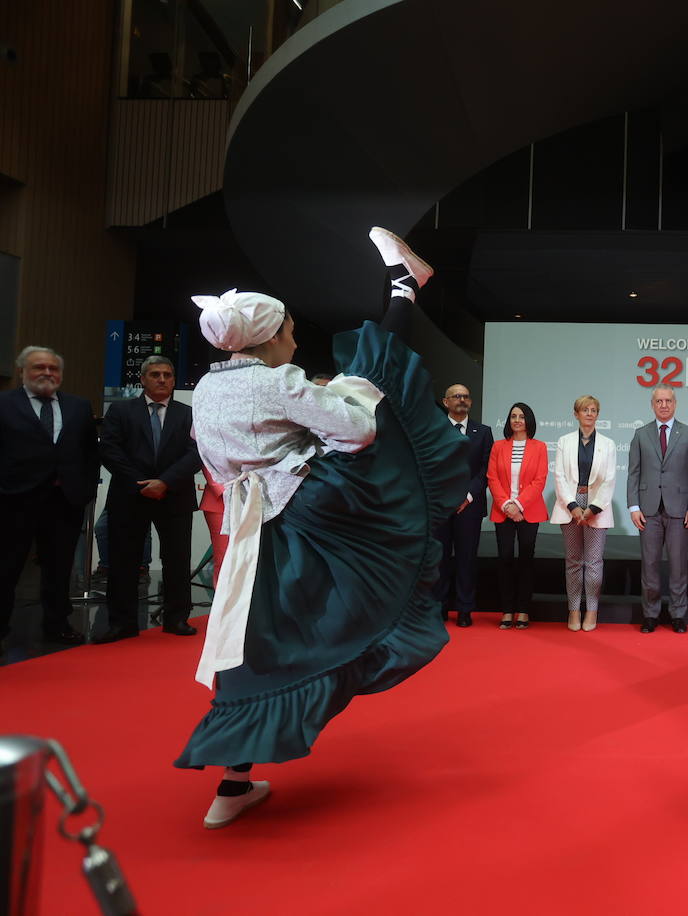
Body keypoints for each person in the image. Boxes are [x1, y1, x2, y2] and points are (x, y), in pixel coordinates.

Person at [175, 227, 467, 830]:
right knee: (372, 380)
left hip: (255, 532)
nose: (294, 336)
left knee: (252, 644)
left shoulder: (206, 389)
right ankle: (404, 288)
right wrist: (329, 404)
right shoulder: (277, 381)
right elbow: (357, 433)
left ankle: (233, 781)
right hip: (315, 513)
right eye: (287, 330)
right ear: (267, 338)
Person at [94, 355, 202, 642]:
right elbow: (110, 450)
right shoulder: (120, 410)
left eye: (168, 374)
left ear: (174, 380)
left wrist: (164, 481)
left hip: (174, 495)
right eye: (155, 374)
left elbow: (197, 453)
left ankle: (176, 619)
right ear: (142, 379)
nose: (162, 379)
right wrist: (140, 483)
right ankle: (122, 623)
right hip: (131, 495)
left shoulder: (189, 413)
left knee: (177, 561)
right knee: (123, 562)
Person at [0, 346, 98, 648]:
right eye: (39, 367)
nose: (47, 373)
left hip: (63, 502)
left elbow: (89, 454)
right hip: (14, 502)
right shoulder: (4, 404)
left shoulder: (79, 407)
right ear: (22, 372)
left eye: (53, 369)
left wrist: (85, 490)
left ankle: (57, 625)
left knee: (59, 570)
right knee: (6, 569)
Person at [627, 386, 688, 633]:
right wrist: (633, 506)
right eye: (659, 401)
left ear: (675, 403)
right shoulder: (640, 434)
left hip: (680, 510)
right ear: (652, 404)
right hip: (648, 510)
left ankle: (678, 614)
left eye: (668, 400)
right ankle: (650, 614)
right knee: (649, 564)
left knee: (678, 565)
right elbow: (633, 474)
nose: (664, 405)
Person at [550, 396, 616, 631]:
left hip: (597, 507)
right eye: (584, 410)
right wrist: (573, 506)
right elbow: (558, 476)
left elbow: (609, 480)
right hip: (570, 504)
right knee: (574, 562)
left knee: (594, 562)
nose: (589, 413)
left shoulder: (608, 444)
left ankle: (592, 611)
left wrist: (592, 509)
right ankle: (574, 610)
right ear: (575, 413)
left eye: (594, 410)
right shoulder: (564, 441)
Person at [434, 383, 492, 627]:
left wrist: (467, 495)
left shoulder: (483, 431)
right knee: (440, 558)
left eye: (466, 396)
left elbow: (486, 468)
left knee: (467, 558)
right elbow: (430, 465)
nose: (462, 400)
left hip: (470, 505)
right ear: (446, 402)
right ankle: (439, 608)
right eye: (456, 396)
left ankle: (465, 608)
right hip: (440, 505)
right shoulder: (434, 430)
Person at [487, 402, 548, 629]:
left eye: (521, 416)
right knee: (504, 560)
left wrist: (519, 505)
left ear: (528, 420)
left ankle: (522, 611)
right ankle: (506, 610)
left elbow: (539, 480)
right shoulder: (498, 447)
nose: (517, 420)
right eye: (513, 416)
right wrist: (506, 506)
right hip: (503, 512)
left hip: (528, 512)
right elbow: (492, 478)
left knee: (526, 561)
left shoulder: (539, 447)